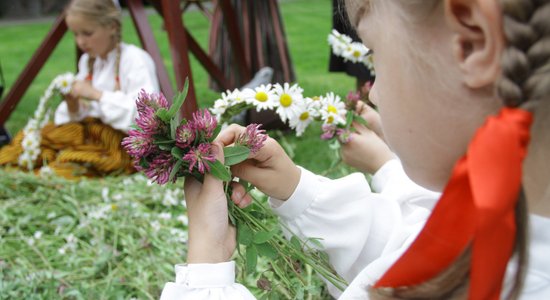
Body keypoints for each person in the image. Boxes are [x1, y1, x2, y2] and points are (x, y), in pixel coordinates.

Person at [161, 0, 550, 299]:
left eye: (375, 56)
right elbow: (408, 244)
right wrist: (297, 190)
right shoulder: (501, 214)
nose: (374, 91)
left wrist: (206, 266)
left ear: (471, 44)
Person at [0, 0, 159, 178]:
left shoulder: (135, 60)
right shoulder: (89, 62)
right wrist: (73, 106)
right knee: (31, 140)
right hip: (87, 135)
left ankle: (47, 173)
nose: (81, 41)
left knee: (68, 164)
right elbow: (79, 117)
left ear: (112, 26)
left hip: (119, 144)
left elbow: (146, 120)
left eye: (87, 33)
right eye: (75, 34)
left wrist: (96, 95)